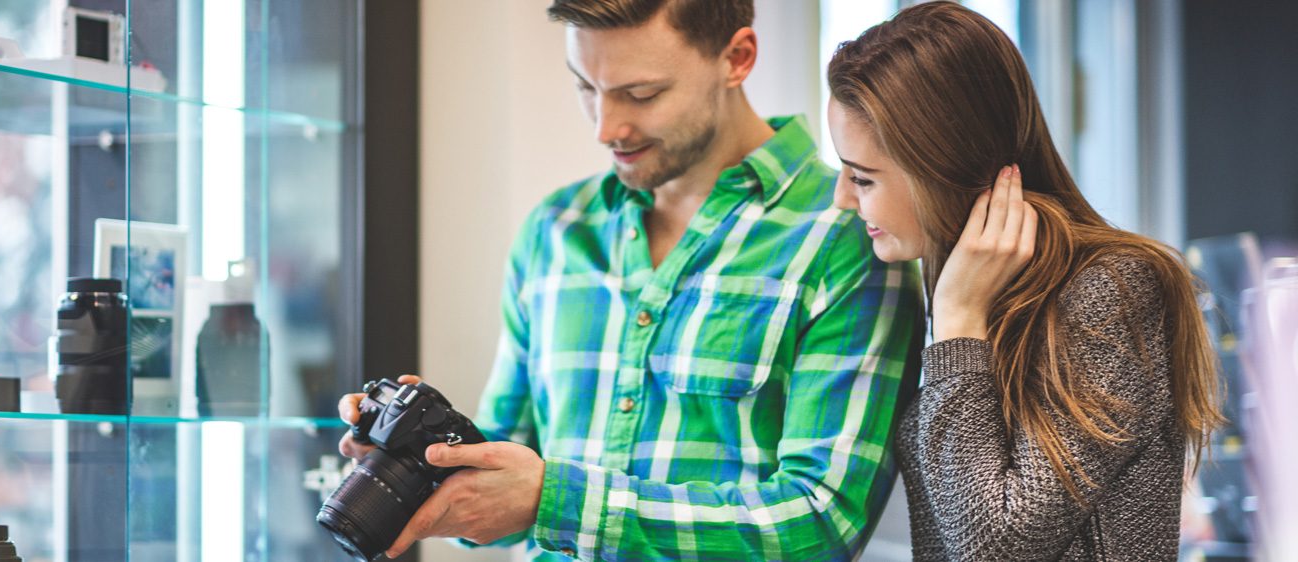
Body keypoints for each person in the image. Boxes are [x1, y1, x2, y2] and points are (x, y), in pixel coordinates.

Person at [338, 0, 926, 560]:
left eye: (640, 93)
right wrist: (425, 465)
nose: (606, 127)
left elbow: (821, 524)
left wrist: (554, 501)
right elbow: (499, 478)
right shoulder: (554, 232)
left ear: (737, 57)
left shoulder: (849, 237)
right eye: (584, 87)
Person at [824, 2, 1227, 560]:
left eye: (862, 178)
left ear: (941, 168)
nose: (842, 198)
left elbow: (995, 547)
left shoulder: (1114, 290)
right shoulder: (971, 289)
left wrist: (960, 321)